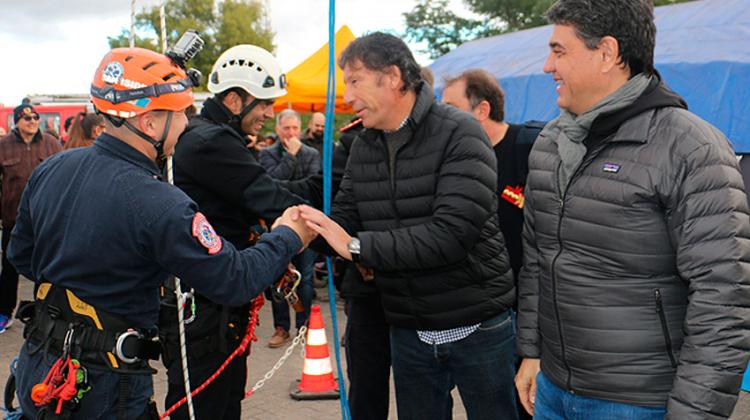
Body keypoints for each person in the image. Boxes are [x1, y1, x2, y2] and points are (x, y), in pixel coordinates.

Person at [8, 46, 314, 419]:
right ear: (150, 122)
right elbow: (234, 279)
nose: (187, 123)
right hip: (104, 387)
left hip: (40, 364)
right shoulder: (159, 202)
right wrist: (288, 236)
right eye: (182, 113)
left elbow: (21, 255)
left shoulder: (52, 168)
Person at [514, 1, 750, 419]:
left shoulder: (689, 147)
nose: (548, 66)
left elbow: (723, 298)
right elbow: (537, 258)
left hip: (639, 403)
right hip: (552, 390)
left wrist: (693, 413)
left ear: (607, 53)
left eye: (560, 50)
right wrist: (532, 353)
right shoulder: (549, 143)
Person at [297, 32, 518, 420]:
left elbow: (451, 235)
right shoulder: (363, 146)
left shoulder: (460, 132)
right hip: (408, 328)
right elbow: (345, 219)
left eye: (354, 81)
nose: (346, 96)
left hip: (476, 324)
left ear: (393, 77)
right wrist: (298, 229)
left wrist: (356, 248)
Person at [164, 44, 309, 420]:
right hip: (207, 306)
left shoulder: (209, 135)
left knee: (224, 401)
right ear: (234, 99)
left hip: (216, 300)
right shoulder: (211, 142)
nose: (268, 113)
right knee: (208, 407)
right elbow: (269, 199)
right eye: (263, 103)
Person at [441, 69, 543, 420]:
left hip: (533, 309)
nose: (441, 117)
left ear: (482, 110)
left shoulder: (533, 148)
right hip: (484, 313)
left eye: (451, 107)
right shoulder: (452, 161)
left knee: (530, 403)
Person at [259, 109, 320, 347]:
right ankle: (281, 327)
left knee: (304, 279)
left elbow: (311, 187)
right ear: (277, 129)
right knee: (278, 278)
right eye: (287, 128)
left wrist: (289, 184)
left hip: (306, 222)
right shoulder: (267, 154)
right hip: (278, 223)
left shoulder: (311, 153)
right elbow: (271, 183)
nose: (291, 133)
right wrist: (290, 158)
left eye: (295, 128)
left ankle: (303, 326)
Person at [0, 104, 62, 333]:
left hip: (45, 220)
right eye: (27, 117)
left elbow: (63, 177)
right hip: (12, 221)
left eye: (35, 117)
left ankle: (44, 311)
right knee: (9, 266)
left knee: (46, 268)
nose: (32, 120)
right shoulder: (3, 146)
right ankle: (4, 313)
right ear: (17, 120)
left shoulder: (51, 143)